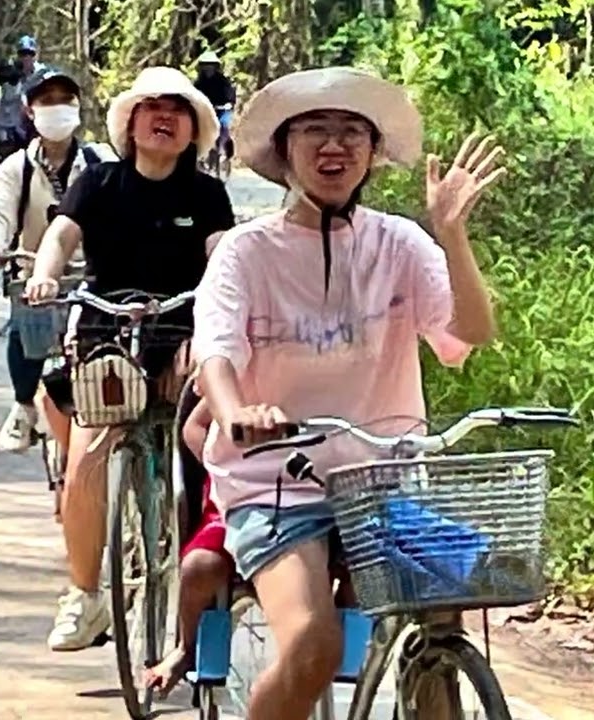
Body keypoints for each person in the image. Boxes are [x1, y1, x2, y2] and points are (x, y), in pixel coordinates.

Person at [192, 67, 503, 720]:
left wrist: (452, 234)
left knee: (445, 612)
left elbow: (468, 334)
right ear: (284, 151)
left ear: (372, 152)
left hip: (383, 483)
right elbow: (215, 355)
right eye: (315, 132)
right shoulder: (247, 251)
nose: (334, 147)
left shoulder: (400, 242)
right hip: (278, 481)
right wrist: (237, 413)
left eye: (351, 134)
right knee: (313, 641)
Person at [23, 66, 235, 651]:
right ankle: (86, 594)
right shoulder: (98, 183)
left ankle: (210, 578)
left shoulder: (206, 194)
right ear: (131, 123)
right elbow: (62, 235)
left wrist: (213, 324)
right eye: (151, 108)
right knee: (90, 453)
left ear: (193, 128)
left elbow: (223, 261)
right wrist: (45, 274)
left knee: (203, 448)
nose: (163, 118)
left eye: (177, 109)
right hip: (105, 331)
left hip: (184, 332)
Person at [0, 68, 116, 458]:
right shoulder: (17, 166)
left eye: (65, 100)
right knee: (25, 335)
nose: (57, 108)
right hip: (33, 271)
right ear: (29, 110)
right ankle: (23, 405)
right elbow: (0, 214)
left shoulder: (98, 161)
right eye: (46, 100)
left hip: (92, 274)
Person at [144, 382, 234, 691]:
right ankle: (186, 647)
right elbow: (194, 426)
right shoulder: (249, 365)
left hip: (328, 493)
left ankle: (360, 647)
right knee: (200, 566)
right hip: (243, 493)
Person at [194, 51, 236, 162]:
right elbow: (194, 96)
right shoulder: (199, 83)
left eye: (210, 65)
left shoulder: (223, 81)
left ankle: (223, 151)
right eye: (205, 65)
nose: (208, 68)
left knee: (223, 125)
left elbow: (230, 95)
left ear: (215, 67)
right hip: (207, 109)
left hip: (222, 110)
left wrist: (229, 104)